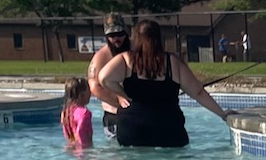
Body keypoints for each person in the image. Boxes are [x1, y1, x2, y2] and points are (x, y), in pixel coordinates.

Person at [99, 19, 237, 148]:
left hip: (132, 129)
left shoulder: (126, 59)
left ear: (135, 38)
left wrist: (121, 94)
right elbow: (198, 93)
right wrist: (222, 114)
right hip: (168, 129)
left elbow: (104, 78)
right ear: (159, 38)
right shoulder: (173, 63)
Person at [86, 13, 130, 138]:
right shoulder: (101, 57)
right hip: (114, 114)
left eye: (120, 34)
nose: (116, 39)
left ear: (126, 32)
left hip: (138, 111)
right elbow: (94, 87)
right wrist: (120, 100)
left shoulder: (136, 49)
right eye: (112, 36)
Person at [61, 76, 93, 148]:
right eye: (88, 90)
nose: (90, 93)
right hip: (83, 150)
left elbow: (66, 134)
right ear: (81, 94)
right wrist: (83, 152)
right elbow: (80, 132)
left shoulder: (66, 113)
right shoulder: (85, 113)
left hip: (71, 148)